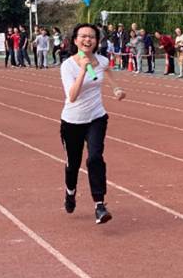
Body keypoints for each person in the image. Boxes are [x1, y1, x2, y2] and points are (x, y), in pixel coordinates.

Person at [60, 23, 126, 224]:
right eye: (83, 36)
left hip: (96, 117)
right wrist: (83, 70)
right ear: (75, 40)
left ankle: (99, 204)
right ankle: (70, 192)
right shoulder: (68, 66)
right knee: (73, 164)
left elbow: (109, 74)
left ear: (97, 41)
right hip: (72, 121)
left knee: (95, 158)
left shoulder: (102, 60)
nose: (87, 40)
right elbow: (72, 96)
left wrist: (116, 89)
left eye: (92, 36)